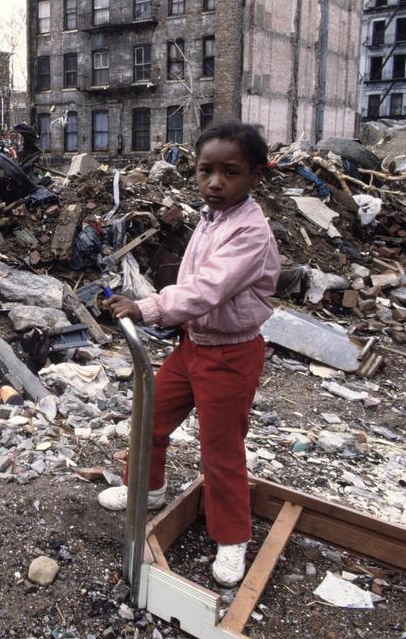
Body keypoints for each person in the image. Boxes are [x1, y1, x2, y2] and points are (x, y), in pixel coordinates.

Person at [98, 120, 280, 588]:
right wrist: (163, 308)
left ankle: (232, 537)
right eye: (205, 171)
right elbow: (190, 284)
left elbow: (207, 289)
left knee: (220, 451)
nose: (215, 182)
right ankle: (149, 488)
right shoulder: (209, 218)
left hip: (231, 354)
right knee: (150, 418)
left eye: (230, 172)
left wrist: (148, 307)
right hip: (193, 344)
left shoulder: (251, 233)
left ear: (256, 176)